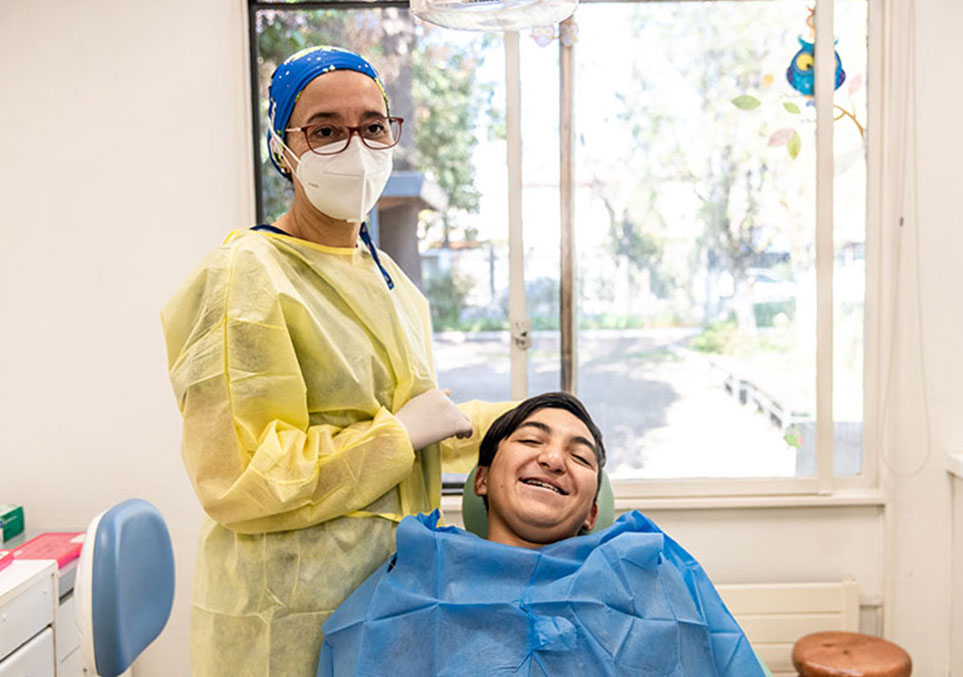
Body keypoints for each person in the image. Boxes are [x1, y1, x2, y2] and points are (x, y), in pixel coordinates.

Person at [162, 46, 511, 676]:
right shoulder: (246, 275)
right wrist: (399, 435)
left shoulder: (392, 283)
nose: (355, 147)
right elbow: (241, 476)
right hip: (287, 616)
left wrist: (522, 425)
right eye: (325, 130)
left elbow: (416, 420)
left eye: (373, 126)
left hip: (392, 602)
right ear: (284, 150)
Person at [317, 393, 768, 676]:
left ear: (592, 511)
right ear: (481, 479)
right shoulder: (415, 578)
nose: (553, 460)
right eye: (532, 441)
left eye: (581, 457)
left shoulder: (646, 570)